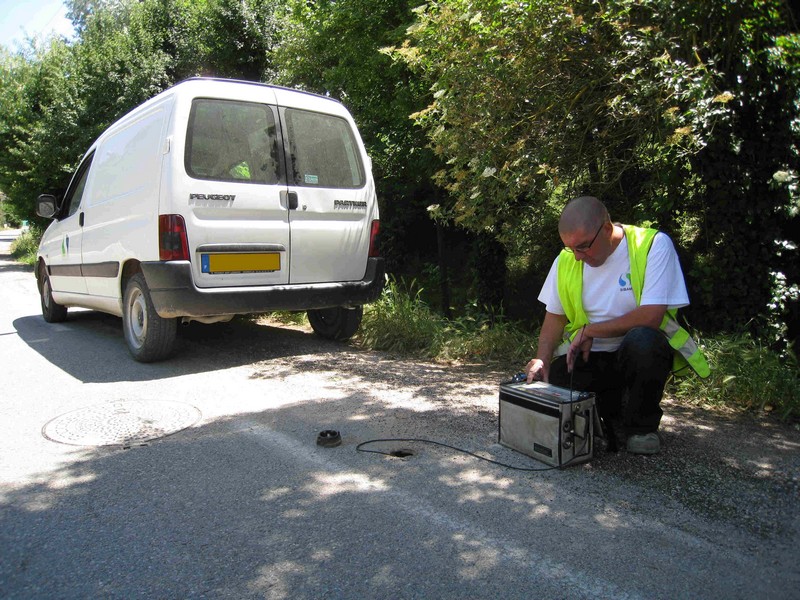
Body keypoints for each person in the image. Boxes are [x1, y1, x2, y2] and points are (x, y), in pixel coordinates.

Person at [524, 196, 709, 455]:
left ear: (607, 229)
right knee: (556, 377)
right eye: (571, 249)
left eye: (584, 247)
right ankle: (612, 411)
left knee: (644, 341)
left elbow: (651, 317)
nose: (577, 257)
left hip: (637, 354)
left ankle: (641, 428)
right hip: (592, 355)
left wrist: (590, 331)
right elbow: (554, 317)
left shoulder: (652, 245)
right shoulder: (567, 259)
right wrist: (541, 359)